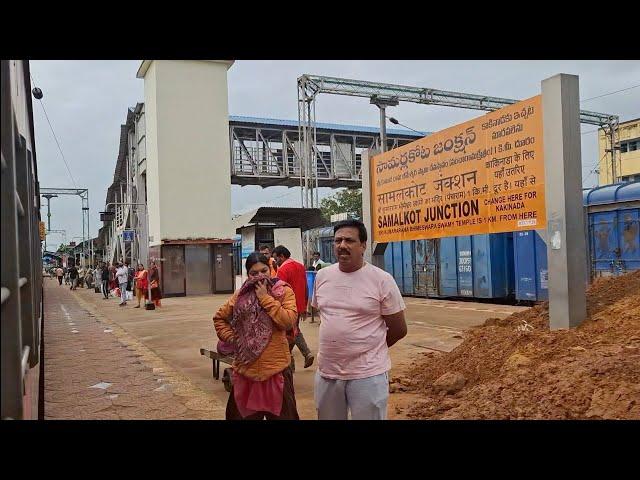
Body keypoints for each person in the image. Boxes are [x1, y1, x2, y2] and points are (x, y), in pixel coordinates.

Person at [312, 219, 407, 420]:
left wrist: (369, 349)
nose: (342, 246)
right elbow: (326, 318)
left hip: (367, 375)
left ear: (363, 245)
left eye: (349, 240)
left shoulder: (381, 279)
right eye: (338, 241)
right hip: (328, 372)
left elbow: (399, 329)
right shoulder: (322, 276)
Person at [213, 252, 299, 420]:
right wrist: (234, 339)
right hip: (246, 371)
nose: (260, 276)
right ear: (248, 275)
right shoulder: (240, 296)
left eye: (264, 270)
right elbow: (219, 318)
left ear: (271, 269)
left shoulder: (283, 292)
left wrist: (265, 299)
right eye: (254, 273)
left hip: (276, 371)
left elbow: (288, 321)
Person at [272, 245, 315, 370]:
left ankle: (292, 362)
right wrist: (305, 304)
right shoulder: (300, 266)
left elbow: (280, 292)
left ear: (282, 256)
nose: (275, 261)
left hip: (287, 307)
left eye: (276, 259)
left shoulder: (283, 270)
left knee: (288, 334)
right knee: (294, 331)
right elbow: (306, 287)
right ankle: (304, 355)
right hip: (299, 304)